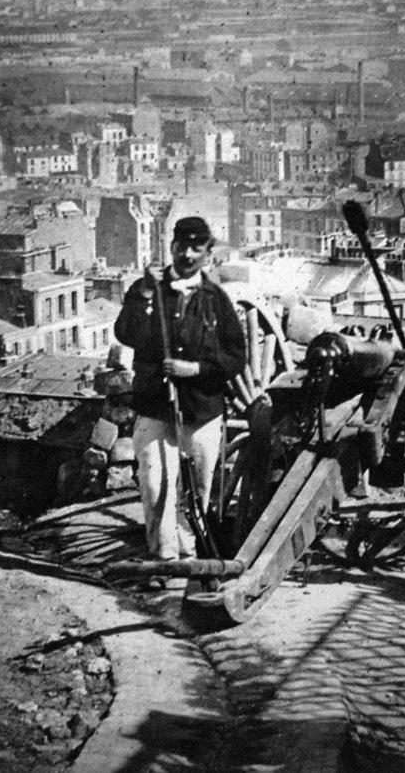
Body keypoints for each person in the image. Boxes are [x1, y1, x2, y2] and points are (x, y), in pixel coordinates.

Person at [113, 216, 246, 567]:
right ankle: (163, 557)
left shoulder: (216, 299)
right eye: (181, 247)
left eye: (196, 249)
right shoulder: (147, 290)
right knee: (156, 486)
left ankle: (187, 555)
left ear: (207, 254)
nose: (187, 255)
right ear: (171, 247)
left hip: (202, 411)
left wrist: (197, 369)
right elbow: (126, 333)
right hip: (155, 408)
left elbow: (236, 357)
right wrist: (144, 292)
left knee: (197, 492)